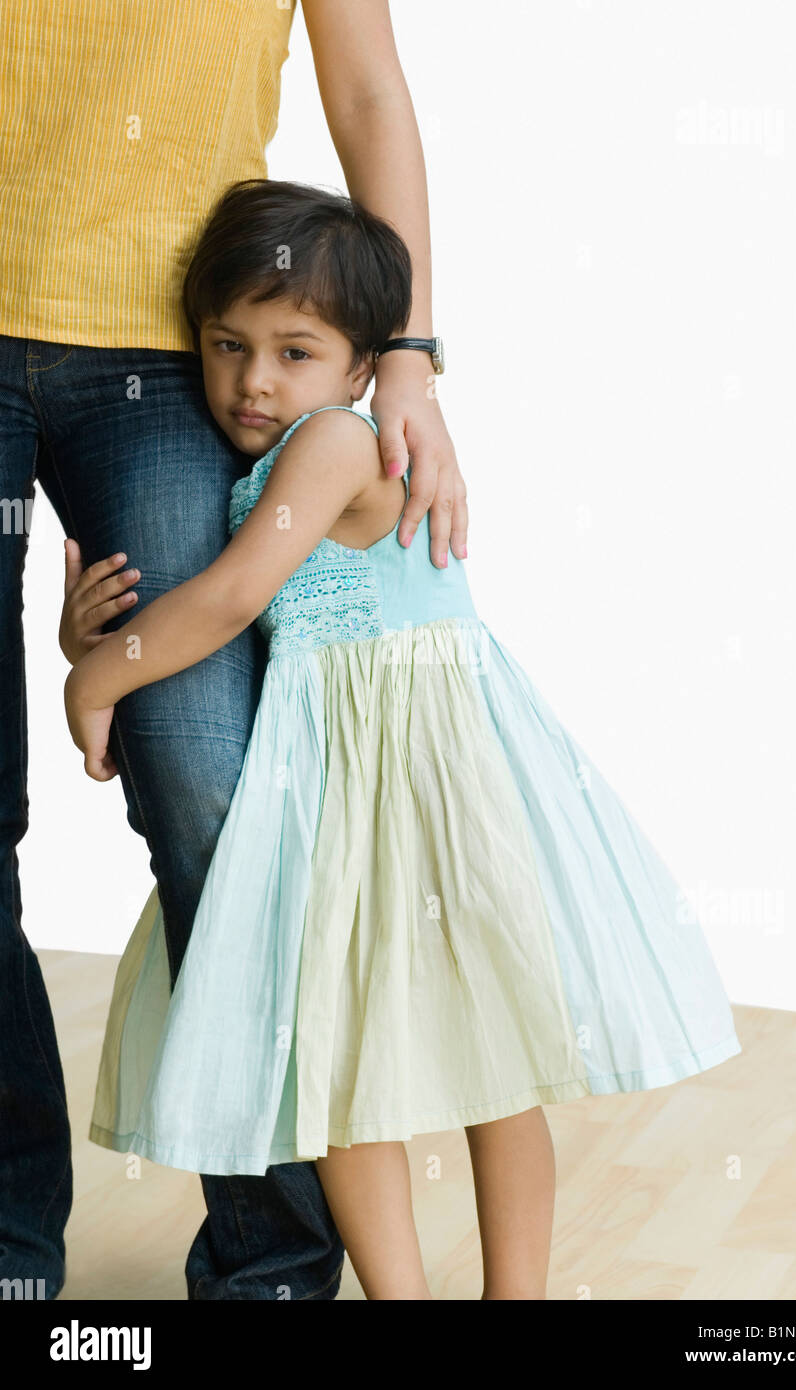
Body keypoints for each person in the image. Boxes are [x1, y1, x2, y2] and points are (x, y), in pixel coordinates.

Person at [61, 179, 742, 1302]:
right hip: (338, 784)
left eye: (296, 350)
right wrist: (85, 626)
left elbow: (231, 600)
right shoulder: (276, 453)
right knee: (338, 1073)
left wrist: (98, 674)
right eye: (227, 345)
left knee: (490, 1062)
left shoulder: (334, 443)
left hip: (422, 780)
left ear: (364, 367)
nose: (254, 380)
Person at [0, 0, 466, 1300]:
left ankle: (272, 1266)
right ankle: (9, 1251)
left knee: (221, 801)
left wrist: (410, 358)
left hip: (178, 345)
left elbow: (365, 86)